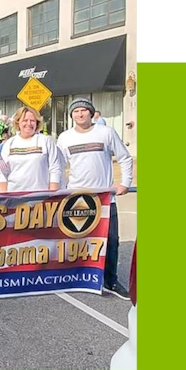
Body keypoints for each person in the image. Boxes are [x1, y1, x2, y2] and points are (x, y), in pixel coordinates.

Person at [57, 98, 133, 300]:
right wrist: (61, 190)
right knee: (77, 240)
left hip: (105, 197)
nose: (80, 114)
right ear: (71, 115)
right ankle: (77, 277)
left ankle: (110, 280)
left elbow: (124, 157)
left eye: (84, 110)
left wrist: (125, 182)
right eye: (76, 111)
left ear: (91, 113)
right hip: (76, 197)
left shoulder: (106, 133)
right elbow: (58, 166)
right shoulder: (65, 138)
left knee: (111, 240)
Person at [0, 106, 62, 192]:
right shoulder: (9, 143)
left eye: (32, 121)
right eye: (25, 120)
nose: (29, 123)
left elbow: (55, 169)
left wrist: (52, 195)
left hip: (40, 195)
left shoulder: (46, 141)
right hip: (14, 196)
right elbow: (3, 173)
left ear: (37, 123)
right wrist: (3, 196)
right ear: (18, 122)